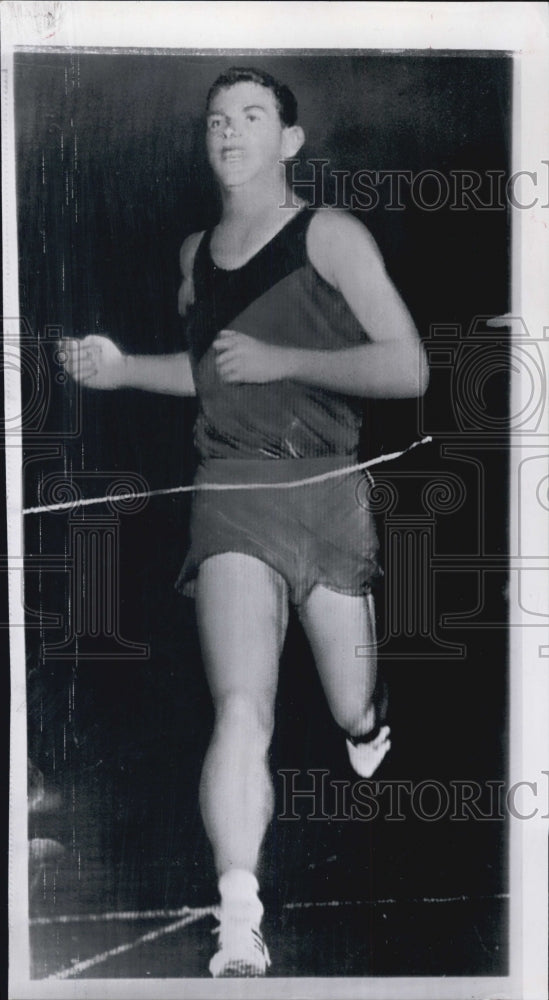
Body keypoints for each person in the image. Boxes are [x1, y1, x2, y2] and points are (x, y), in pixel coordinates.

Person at [61, 66, 429, 978]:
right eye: (217, 119)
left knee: (353, 703)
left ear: (289, 141)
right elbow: (212, 375)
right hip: (230, 494)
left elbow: (409, 368)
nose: (229, 132)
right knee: (240, 707)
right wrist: (121, 369)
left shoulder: (331, 235)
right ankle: (238, 915)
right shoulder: (196, 255)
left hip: (330, 493)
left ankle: (365, 723)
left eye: (252, 116)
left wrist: (282, 357)